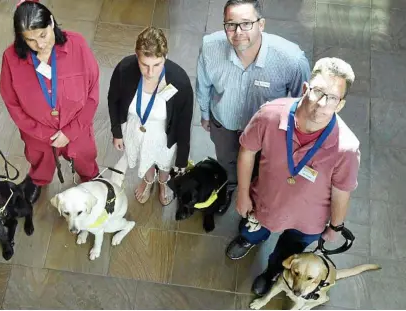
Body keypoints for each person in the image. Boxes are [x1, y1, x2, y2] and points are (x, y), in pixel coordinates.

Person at [226, 57, 360, 296]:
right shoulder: (269, 115)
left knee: (289, 252)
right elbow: (248, 150)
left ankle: (272, 272)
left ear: (340, 105)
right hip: (266, 201)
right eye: (318, 92)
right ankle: (249, 239)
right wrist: (243, 194)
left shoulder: (346, 147)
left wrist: (336, 226)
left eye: (332, 98)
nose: (322, 104)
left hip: (309, 219)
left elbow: (342, 190)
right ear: (306, 89)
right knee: (254, 226)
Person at [196, 0, 311, 211]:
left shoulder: (291, 60)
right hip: (225, 124)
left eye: (246, 23)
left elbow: (301, 104)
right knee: (227, 161)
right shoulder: (210, 47)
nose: (238, 31)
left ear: (262, 24)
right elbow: (203, 84)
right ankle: (230, 186)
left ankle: (254, 195)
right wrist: (205, 114)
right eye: (231, 24)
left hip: (266, 133)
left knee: (262, 167)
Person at [0, 0, 100, 203]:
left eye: (43, 35)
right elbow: (12, 104)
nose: (40, 44)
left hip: (77, 128)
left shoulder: (77, 44)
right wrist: (46, 134)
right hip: (38, 135)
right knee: (40, 161)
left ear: (51, 23)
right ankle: (39, 180)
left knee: (85, 158)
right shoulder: (11, 58)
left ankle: (90, 180)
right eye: (30, 40)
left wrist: (70, 132)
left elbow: (92, 92)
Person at [108, 27, 193, 206]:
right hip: (135, 127)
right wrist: (117, 131)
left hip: (164, 133)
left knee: (164, 161)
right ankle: (148, 178)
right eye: (144, 64)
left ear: (165, 58)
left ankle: (163, 181)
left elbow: (185, 122)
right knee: (142, 156)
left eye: (157, 65)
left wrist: (182, 158)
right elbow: (113, 100)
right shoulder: (124, 69)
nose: (150, 72)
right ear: (136, 56)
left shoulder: (180, 80)